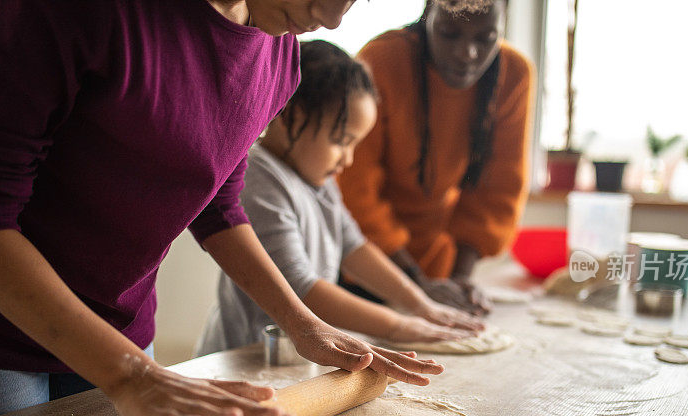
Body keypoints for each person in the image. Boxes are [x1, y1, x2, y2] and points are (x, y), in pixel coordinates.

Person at [0, 0, 450, 416]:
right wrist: (129, 375)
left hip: (122, 326)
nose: (333, 19)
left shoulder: (278, 54)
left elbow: (220, 202)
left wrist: (304, 324)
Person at [197, 41, 484, 357]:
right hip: (244, 358)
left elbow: (355, 247)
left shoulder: (319, 180)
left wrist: (419, 304)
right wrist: (398, 326)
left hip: (297, 354)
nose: (347, 160)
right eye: (340, 141)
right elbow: (303, 290)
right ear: (290, 115)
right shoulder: (258, 179)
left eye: (355, 145)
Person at [338, 0, 535, 317]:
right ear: (428, 17)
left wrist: (459, 280)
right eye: (449, 33)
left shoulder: (514, 73)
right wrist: (413, 282)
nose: (466, 53)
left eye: (485, 38)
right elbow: (354, 190)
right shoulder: (383, 60)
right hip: (363, 261)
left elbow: (497, 193)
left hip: (438, 266)